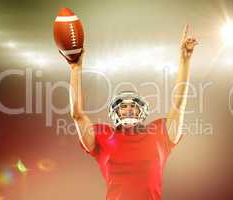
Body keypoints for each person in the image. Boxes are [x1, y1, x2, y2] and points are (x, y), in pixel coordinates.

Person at [61, 24, 198, 200]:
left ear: (142, 111)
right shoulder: (104, 135)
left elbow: (179, 106)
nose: (128, 109)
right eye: (123, 106)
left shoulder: (158, 133)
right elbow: (77, 114)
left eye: (133, 106)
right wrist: (75, 68)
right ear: (115, 112)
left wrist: (185, 60)